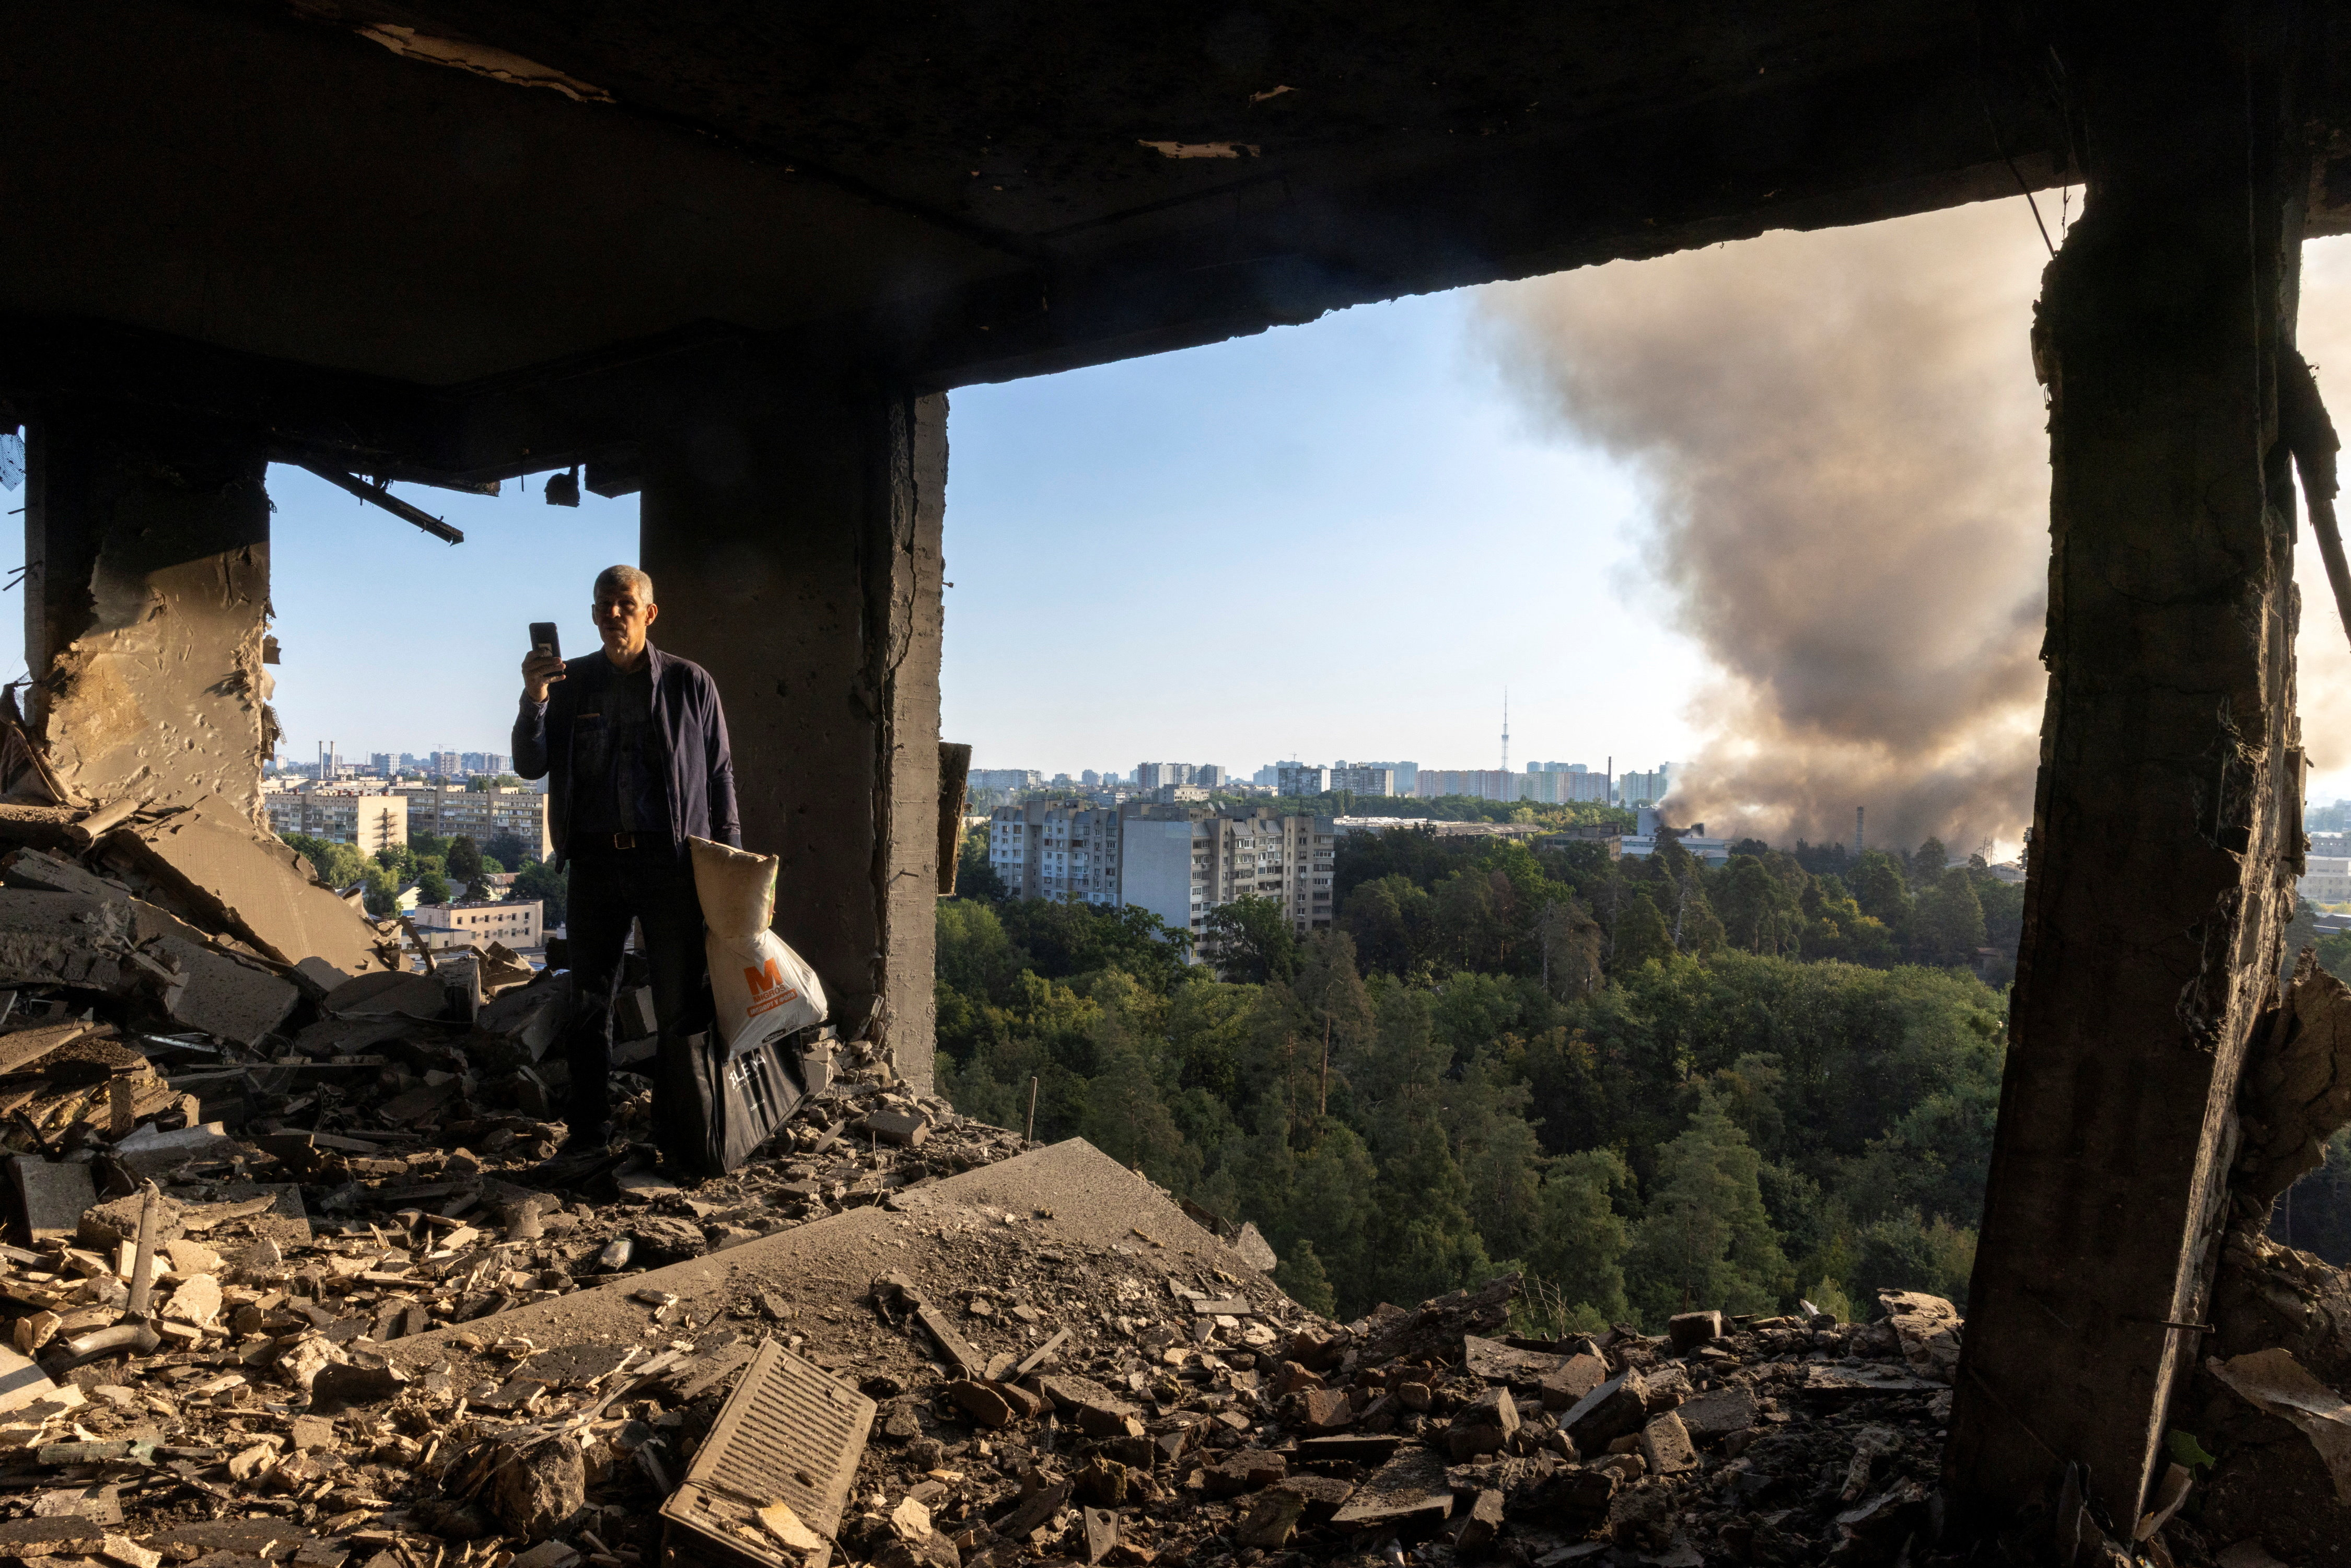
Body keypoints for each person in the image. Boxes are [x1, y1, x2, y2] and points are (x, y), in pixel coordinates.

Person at [513, 564, 739, 1157]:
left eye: (625, 603)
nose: (613, 613)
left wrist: (730, 864)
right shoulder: (570, 683)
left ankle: (680, 1139)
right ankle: (589, 1136)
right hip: (594, 866)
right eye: (603, 605)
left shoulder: (691, 684)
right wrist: (533, 700)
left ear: (649, 613)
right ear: (592, 615)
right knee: (589, 1005)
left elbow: (719, 778)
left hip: (670, 867)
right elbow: (530, 765)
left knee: (678, 1006)